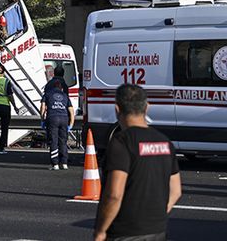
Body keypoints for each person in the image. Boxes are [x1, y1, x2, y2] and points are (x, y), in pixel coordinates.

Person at [94, 84, 182, 241]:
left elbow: (114, 194)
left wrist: (101, 230)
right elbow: (176, 191)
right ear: (147, 107)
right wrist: (156, 216)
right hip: (157, 231)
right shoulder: (165, 142)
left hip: (124, 232)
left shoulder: (122, 142)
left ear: (117, 110)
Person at [40, 80, 74, 170]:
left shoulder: (47, 94)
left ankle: (55, 164)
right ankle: (64, 163)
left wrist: (42, 119)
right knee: (63, 141)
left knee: (53, 141)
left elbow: (43, 107)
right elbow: (71, 111)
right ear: (61, 88)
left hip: (52, 118)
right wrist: (71, 123)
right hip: (64, 119)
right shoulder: (65, 96)